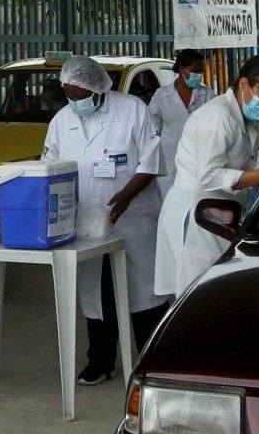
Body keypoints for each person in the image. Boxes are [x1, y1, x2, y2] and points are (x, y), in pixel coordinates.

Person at [41, 56, 166, 385]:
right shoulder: (61, 121)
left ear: (98, 89)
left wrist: (126, 196)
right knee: (96, 294)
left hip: (134, 219)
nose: (75, 102)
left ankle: (152, 364)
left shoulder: (132, 110)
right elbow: (48, 167)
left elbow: (151, 162)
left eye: (80, 96)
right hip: (86, 223)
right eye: (69, 95)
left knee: (145, 294)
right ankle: (100, 362)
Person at [154, 54, 259, 300]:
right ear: (243, 84)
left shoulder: (248, 117)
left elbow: (251, 159)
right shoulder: (217, 117)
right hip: (196, 214)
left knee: (217, 292)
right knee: (195, 296)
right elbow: (209, 176)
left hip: (221, 213)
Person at [147, 49, 213, 200]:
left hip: (199, 159)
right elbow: (152, 131)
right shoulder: (162, 95)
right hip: (170, 161)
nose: (199, 75)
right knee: (171, 202)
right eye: (195, 71)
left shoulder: (207, 95)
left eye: (201, 71)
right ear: (182, 69)